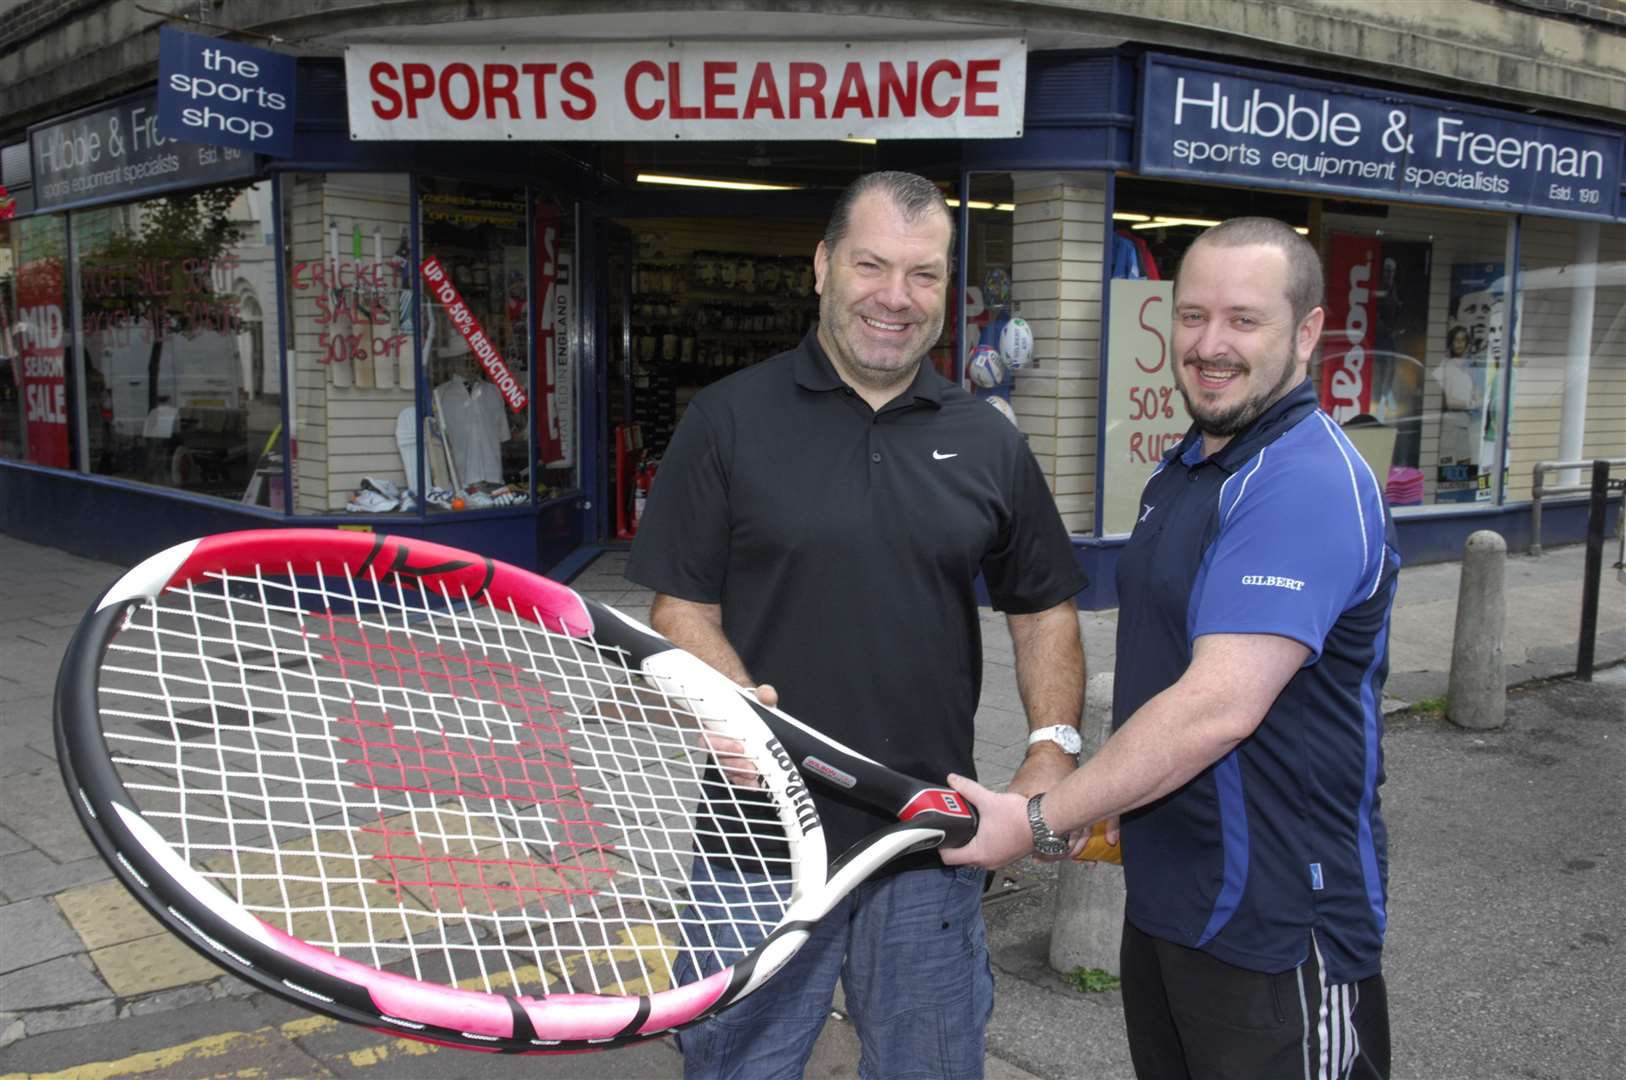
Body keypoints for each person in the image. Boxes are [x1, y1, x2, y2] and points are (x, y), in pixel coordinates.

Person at [626, 170, 1088, 1079]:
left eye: (923, 274)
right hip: (758, 843)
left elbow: (1042, 604)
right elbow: (681, 605)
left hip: (926, 844)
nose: (895, 296)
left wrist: (1053, 746)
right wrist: (729, 705)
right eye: (871, 265)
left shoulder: (989, 438)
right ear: (822, 266)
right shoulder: (727, 419)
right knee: (739, 1070)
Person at [944, 217, 1399, 1080]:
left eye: (1243, 320)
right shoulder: (1187, 466)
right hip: (1172, 898)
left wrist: (1039, 818)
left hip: (1278, 922)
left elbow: (1217, 706)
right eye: (1192, 317)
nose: (1210, 344)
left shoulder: (1302, 481)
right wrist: (1111, 799)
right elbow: (1170, 672)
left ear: (1306, 332)